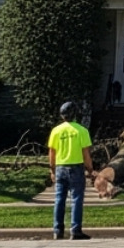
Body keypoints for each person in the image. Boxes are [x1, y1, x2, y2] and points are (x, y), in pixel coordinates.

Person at [48, 101, 94, 240]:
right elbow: (85, 153)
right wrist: (90, 168)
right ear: (75, 115)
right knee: (76, 199)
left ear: (62, 116)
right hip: (76, 167)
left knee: (59, 199)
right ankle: (75, 230)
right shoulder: (81, 130)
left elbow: (52, 152)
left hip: (61, 167)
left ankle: (58, 230)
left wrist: (52, 169)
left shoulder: (56, 131)